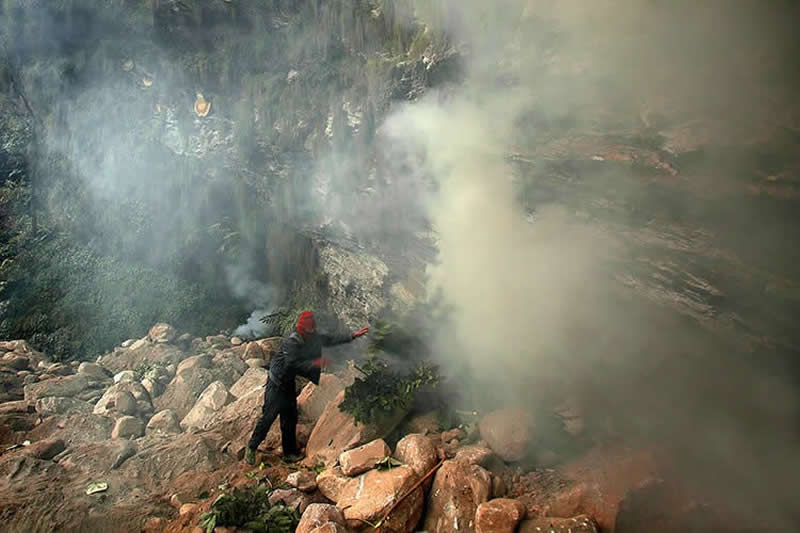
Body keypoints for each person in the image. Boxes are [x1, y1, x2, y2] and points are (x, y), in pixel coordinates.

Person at [245, 311, 369, 465]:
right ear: (302, 328)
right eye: (309, 329)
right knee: (268, 417)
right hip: (276, 384)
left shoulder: (311, 337)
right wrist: (315, 364)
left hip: (289, 383)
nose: (312, 331)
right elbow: (292, 364)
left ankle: (289, 453)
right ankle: (251, 447)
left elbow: (329, 339)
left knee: (290, 419)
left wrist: (352, 336)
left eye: (312, 328)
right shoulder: (292, 342)